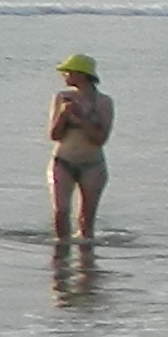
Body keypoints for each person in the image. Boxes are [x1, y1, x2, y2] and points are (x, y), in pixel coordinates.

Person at [48, 54, 115, 244]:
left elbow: (100, 139)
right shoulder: (62, 98)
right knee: (61, 211)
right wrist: (63, 114)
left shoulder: (103, 102)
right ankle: (61, 252)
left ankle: (86, 255)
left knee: (87, 217)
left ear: (82, 74)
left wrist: (83, 117)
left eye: (68, 72)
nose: (64, 76)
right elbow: (54, 135)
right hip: (62, 161)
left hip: (92, 164)